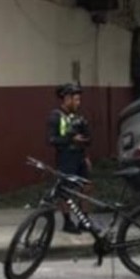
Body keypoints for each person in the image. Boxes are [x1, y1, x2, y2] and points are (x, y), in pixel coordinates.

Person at [47, 83, 92, 234]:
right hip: (66, 158)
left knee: (86, 187)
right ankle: (67, 221)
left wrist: (85, 154)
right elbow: (51, 140)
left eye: (79, 100)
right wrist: (71, 139)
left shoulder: (79, 117)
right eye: (76, 100)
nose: (78, 103)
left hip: (80, 157)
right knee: (65, 191)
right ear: (66, 99)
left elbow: (87, 138)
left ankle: (84, 220)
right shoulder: (56, 116)